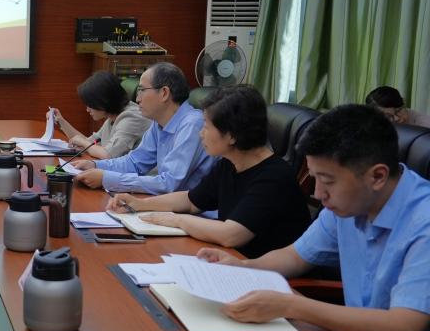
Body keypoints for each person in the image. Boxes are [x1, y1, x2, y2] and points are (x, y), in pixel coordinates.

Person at [200, 105, 430, 331]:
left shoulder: (423, 223)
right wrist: (242, 267)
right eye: (314, 178)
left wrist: (291, 305)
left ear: (377, 176)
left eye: (327, 181)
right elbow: (294, 256)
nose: (318, 194)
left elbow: (403, 329)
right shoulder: (349, 204)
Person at [108, 86, 311, 258]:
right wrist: (140, 204)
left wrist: (176, 220)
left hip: (266, 276)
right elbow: (190, 200)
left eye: (206, 126)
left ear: (232, 135)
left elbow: (231, 235)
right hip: (230, 260)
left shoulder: (273, 177)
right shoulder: (229, 163)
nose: (200, 133)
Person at [70, 62, 216, 193]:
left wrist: (107, 178)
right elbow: (134, 162)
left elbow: (169, 183)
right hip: (167, 205)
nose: (137, 98)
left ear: (164, 93)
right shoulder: (158, 123)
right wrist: (95, 165)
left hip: (195, 211)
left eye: (142, 90)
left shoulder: (192, 124)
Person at [52, 71, 150, 159]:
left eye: (90, 104)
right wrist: (61, 121)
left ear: (103, 100)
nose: (87, 110)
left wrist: (83, 143)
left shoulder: (132, 117)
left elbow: (108, 154)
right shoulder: (112, 116)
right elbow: (90, 143)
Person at [365, 86, 430, 127]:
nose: (397, 118)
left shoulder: (425, 125)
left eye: (398, 111)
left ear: (404, 103)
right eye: (388, 116)